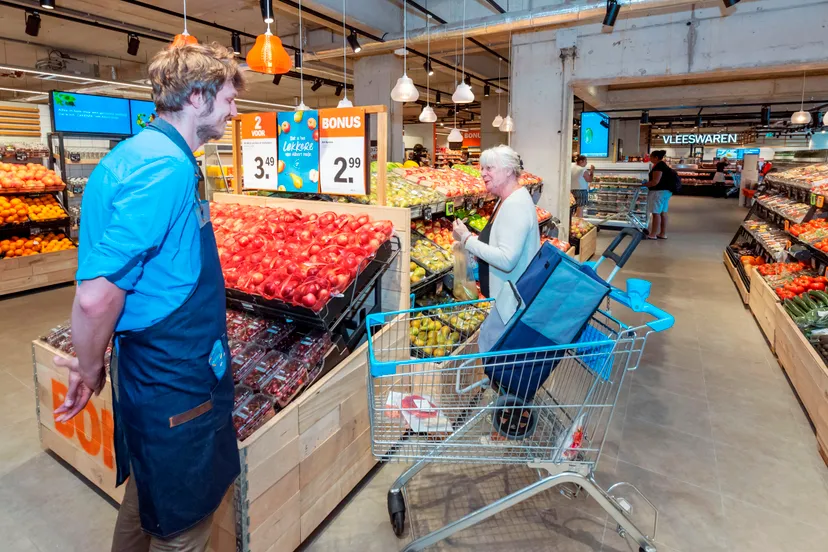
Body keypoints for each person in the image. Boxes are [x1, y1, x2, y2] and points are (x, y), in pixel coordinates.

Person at [53, 43, 244, 551]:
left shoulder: (134, 154)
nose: (233, 110)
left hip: (153, 367)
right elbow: (96, 297)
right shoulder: (167, 169)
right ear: (198, 97)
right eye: (228, 98)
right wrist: (88, 367)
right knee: (184, 520)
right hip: (172, 376)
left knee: (147, 499)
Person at [452, 145, 541, 303]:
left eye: (489, 168)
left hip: (510, 302)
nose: (482, 173)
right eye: (482, 168)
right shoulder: (503, 199)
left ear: (508, 170)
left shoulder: (515, 204)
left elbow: (506, 260)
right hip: (502, 298)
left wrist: (466, 239)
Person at [643, 150, 674, 240]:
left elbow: (655, 182)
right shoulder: (663, 165)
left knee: (656, 213)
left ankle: (653, 234)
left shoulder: (659, 166)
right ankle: (662, 233)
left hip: (658, 192)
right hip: (666, 192)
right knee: (663, 213)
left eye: (651, 157)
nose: (650, 158)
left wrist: (643, 185)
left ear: (656, 157)